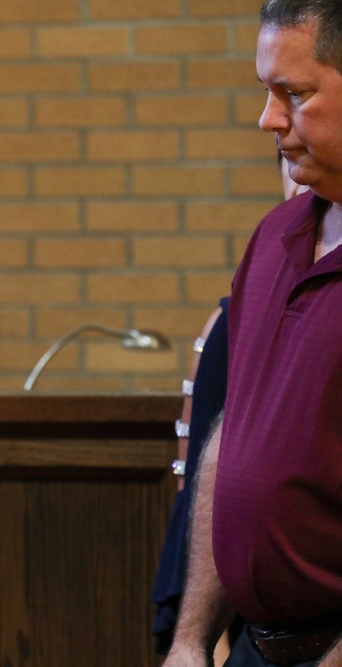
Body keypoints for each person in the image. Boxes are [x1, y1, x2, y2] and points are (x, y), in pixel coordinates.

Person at [164, 1, 342, 665]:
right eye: (266, 93)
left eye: (293, 94)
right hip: (253, 647)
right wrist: (190, 637)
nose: (267, 119)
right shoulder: (274, 238)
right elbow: (230, 445)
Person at [151, 158, 308, 659]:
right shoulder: (240, 307)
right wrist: (202, 642)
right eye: (283, 162)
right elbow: (203, 482)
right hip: (248, 628)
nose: (295, 175)